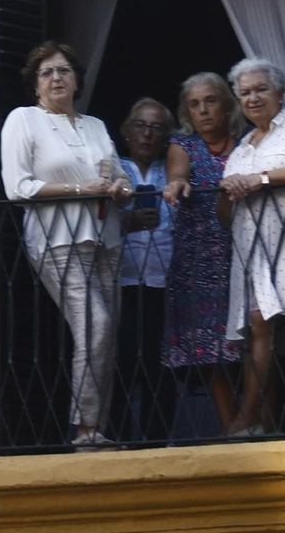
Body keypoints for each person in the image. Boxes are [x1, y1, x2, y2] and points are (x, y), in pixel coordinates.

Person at [0, 41, 133, 446]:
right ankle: (85, 429)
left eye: (63, 71)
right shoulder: (24, 120)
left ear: (76, 80)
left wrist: (123, 186)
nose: (56, 78)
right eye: (46, 73)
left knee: (107, 335)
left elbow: (117, 169)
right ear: (36, 85)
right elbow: (17, 187)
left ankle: (98, 427)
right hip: (57, 240)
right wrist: (78, 188)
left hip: (106, 238)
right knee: (97, 325)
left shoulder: (94, 126)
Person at [220, 57, 285, 436]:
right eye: (245, 93)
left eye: (261, 89)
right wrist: (229, 189)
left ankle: (245, 420)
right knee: (259, 327)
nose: (253, 98)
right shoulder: (241, 149)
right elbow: (225, 214)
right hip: (250, 248)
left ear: (280, 92)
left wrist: (258, 179)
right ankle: (260, 423)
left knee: (262, 323)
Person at [162, 72, 245, 434]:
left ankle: (262, 421)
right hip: (198, 263)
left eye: (210, 100)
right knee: (212, 352)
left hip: (245, 255)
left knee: (258, 341)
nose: (203, 110)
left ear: (227, 105)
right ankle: (233, 428)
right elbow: (177, 175)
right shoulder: (184, 145)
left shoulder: (248, 143)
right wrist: (178, 184)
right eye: (194, 104)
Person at [109, 97, 178, 442]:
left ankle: (157, 439)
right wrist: (127, 223)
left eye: (157, 127)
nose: (148, 134)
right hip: (121, 281)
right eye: (140, 125)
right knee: (121, 360)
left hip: (164, 284)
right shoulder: (114, 169)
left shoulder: (173, 171)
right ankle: (117, 436)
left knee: (160, 364)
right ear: (125, 132)